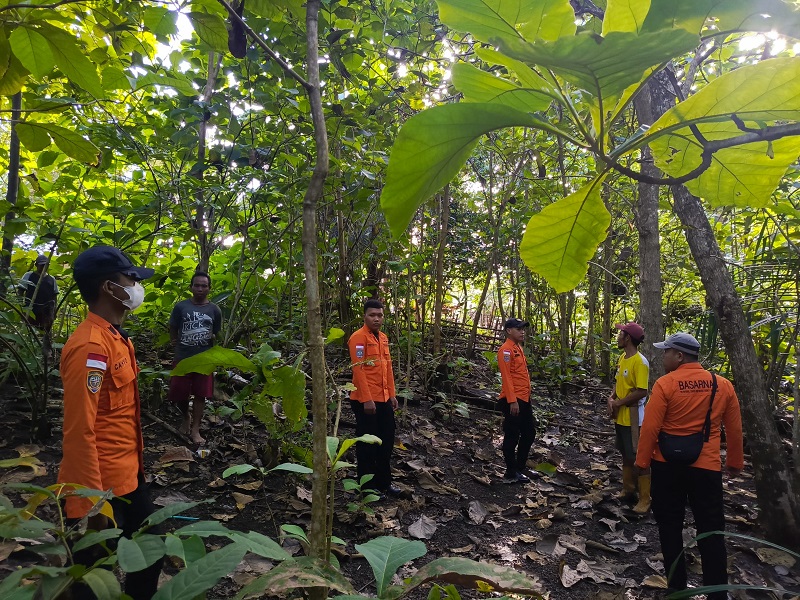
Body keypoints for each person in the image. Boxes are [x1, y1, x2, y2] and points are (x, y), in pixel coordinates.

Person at [57, 245, 161, 599]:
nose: (135, 285)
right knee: (92, 578)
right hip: (101, 488)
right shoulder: (90, 348)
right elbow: (78, 431)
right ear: (108, 287)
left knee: (150, 553)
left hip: (129, 476)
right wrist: (90, 504)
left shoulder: (115, 337)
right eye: (129, 278)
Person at [635, 333, 744, 600]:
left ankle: (677, 588)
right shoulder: (722, 385)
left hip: (666, 466)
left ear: (680, 356)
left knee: (669, 526)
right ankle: (716, 592)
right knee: (711, 530)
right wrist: (734, 463)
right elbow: (734, 428)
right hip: (706, 468)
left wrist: (641, 462)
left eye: (666, 352)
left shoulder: (665, 384)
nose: (663, 357)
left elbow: (650, 427)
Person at [348, 299, 399, 497]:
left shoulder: (383, 338)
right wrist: (367, 399)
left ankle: (384, 482)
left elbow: (388, 368)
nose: (376, 319)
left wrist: (392, 394)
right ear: (364, 316)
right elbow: (358, 371)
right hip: (364, 400)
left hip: (383, 397)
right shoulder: (357, 338)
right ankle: (366, 485)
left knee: (386, 441)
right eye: (372, 315)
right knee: (367, 443)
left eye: (379, 315)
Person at [168, 271, 222, 445]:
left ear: (209, 288)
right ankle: (186, 417)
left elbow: (215, 332)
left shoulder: (214, 309)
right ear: (191, 287)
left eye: (204, 286)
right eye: (197, 285)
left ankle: (196, 429)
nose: (200, 289)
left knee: (201, 394)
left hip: (204, 360)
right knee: (179, 393)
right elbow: (173, 326)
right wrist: (173, 340)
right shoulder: (181, 307)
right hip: (183, 357)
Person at [607, 322, 650, 512]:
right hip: (621, 417)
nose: (617, 337)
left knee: (638, 457)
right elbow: (618, 381)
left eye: (620, 334)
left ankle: (645, 498)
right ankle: (628, 489)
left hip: (634, 417)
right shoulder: (623, 358)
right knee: (625, 453)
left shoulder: (640, 362)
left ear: (628, 338)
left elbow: (642, 391)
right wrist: (612, 397)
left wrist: (618, 403)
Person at [497, 318, 536, 483]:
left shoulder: (517, 348)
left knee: (529, 432)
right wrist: (512, 401)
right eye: (518, 329)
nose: (522, 332)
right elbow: (507, 378)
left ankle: (519, 467)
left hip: (523, 398)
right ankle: (511, 471)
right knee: (512, 436)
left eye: (523, 329)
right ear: (509, 331)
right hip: (513, 400)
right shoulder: (505, 350)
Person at [18, 253, 59, 331]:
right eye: (42, 265)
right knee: (30, 329)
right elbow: (20, 291)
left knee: (45, 331)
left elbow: (54, 296)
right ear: (36, 265)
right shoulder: (29, 275)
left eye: (45, 265)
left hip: (47, 310)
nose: (44, 267)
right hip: (31, 309)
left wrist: (54, 311)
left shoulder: (51, 279)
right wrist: (21, 308)